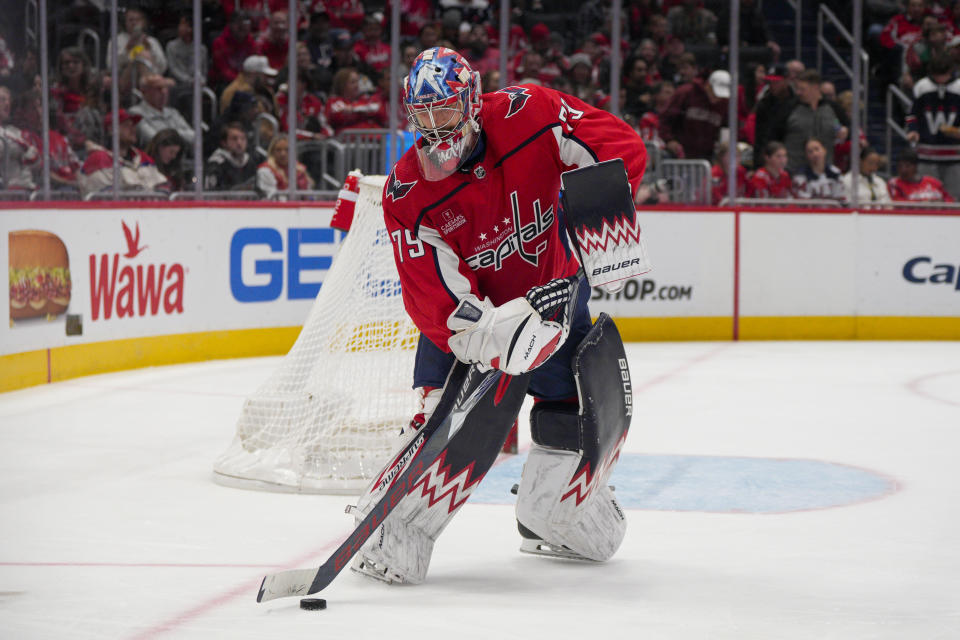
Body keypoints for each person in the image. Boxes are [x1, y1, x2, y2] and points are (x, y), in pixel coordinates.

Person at [350, 46, 646, 586]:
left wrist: (602, 236)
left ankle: (551, 519)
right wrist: (492, 334)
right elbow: (431, 300)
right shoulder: (407, 193)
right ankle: (394, 534)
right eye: (424, 116)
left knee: (584, 417)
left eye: (445, 112)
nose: (435, 129)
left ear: (472, 99)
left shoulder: (529, 112)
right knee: (445, 427)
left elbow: (619, 148)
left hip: (556, 303)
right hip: (469, 328)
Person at [78, 109, 169, 197]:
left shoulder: (144, 158)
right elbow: (105, 199)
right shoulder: (98, 160)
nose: (133, 129)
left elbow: (162, 188)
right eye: (126, 125)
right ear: (111, 129)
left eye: (133, 125)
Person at [905, 54, 960, 199]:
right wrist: (913, 130)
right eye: (937, 75)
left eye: (944, 75)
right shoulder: (922, 87)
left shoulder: (959, 87)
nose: (940, 79)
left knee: (954, 199)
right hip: (927, 154)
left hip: (954, 156)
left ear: (951, 71)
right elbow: (911, 114)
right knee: (928, 197)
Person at [659, 67, 730, 160]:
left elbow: (726, 127)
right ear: (708, 85)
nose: (717, 98)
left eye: (720, 96)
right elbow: (665, 118)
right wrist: (669, 140)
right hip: (679, 155)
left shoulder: (724, 103)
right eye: (715, 93)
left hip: (706, 156)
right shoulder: (686, 93)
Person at [782, 70, 846, 173]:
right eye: (797, 89)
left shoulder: (832, 107)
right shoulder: (789, 107)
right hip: (794, 171)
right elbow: (774, 135)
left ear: (815, 87)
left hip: (824, 172)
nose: (798, 92)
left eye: (802, 89)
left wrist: (845, 131)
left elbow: (847, 127)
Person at [129, 74, 196, 148]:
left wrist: (168, 134)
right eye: (158, 88)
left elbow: (193, 137)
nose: (164, 92)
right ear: (144, 91)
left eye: (166, 88)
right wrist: (180, 133)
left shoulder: (173, 112)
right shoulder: (136, 112)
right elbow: (155, 139)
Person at [325, 67, 388, 134]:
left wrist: (353, 109)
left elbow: (379, 110)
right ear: (342, 85)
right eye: (353, 82)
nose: (357, 85)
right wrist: (363, 111)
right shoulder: (334, 101)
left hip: (374, 139)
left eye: (357, 81)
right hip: (349, 142)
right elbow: (338, 116)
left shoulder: (364, 99)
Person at [0, 86, 40, 191]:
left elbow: (36, 161)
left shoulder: (14, 131)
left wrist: (29, 155)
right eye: (2, 100)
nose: (7, 104)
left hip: (24, 191)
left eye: (9, 101)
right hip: (5, 194)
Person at [205, 121, 260, 190]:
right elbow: (213, 193)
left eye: (243, 139)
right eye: (234, 139)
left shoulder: (251, 162)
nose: (239, 143)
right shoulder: (216, 164)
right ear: (224, 143)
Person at [888, 148, 955, 201]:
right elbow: (898, 203)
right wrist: (924, 203)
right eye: (900, 166)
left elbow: (950, 200)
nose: (903, 170)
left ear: (915, 166)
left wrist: (942, 202)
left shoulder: (933, 182)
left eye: (907, 166)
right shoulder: (895, 183)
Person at [792, 137, 845, 202]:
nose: (815, 154)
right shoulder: (800, 175)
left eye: (817, 149)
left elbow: (840, 200)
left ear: (824, 150)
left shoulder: (835, 173)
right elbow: (801, 203)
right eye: (810, 151)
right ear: (806, 155)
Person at [710, 140, 747, 205]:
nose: (736, 159)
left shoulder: (741, 171)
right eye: (732, 155)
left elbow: (749, 192)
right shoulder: (714, 174)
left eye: (738, 156)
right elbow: (716, 199)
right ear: (722, 157)